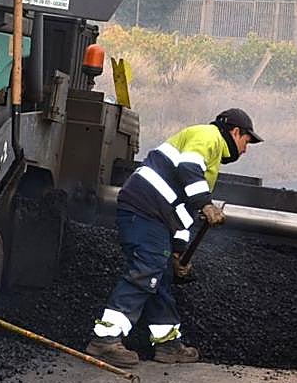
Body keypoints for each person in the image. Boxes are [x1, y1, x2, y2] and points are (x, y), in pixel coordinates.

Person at [85, 109, 262, 367]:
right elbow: (188, 168)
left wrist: (179, 253)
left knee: (161, 275)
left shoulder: (209, 166)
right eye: (247, 142)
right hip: (144, 210)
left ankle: (167, 344)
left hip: (156, 217)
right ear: (235, 132)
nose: (245, 150)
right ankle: (105, 339)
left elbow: (184, 214)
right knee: (148, 270)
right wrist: (206, 204)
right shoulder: (208, 135)